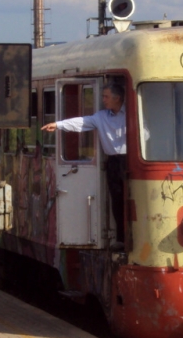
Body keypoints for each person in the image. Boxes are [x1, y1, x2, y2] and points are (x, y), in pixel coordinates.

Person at [41, 84, 127, 248]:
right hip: (114, 161)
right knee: (116, 199)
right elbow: (81, 122)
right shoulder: (102, 116)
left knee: (130, 199)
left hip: (130, 159)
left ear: (118, 98)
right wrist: (58, 125)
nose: (103, 100)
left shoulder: (131, 114)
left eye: (106, 97)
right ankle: (121, 238)